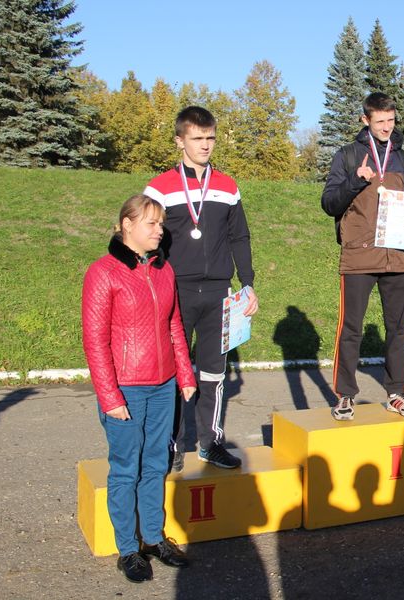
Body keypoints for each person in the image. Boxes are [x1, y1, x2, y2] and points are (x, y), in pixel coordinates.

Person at [82, 195, 196, 583]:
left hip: (163, 386)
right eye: (151, 223)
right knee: (125, 470)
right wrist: (110, 397)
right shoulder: (103, 272)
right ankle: (128, 549)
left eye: (160, 223)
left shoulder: (165, 270)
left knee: (155, 466)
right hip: (126, 389)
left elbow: (174, 326)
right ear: (126, 226)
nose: (159, 230)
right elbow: (95, 342)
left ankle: (153, 538)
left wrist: (185, 376)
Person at [144, 106, 258, 470]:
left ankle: (210, 442)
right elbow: (149, 239)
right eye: (197, 138)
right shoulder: (159, 188)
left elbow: (238, 236)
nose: (205, 145)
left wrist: (248, 283)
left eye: (210, 138)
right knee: (174, 373)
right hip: (175, 292)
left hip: (219, 293)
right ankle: (170, 447)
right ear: (180, 141)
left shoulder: (227, 186)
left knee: (213, 372)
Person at [321, 92, 404, 421]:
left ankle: (397, 392)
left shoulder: (403, 158)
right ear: (365, 120)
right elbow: (329, 204)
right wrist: (355, 181)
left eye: (391, 120)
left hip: (398, 256)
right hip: (359, 257)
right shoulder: (348, 156)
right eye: (380, 121)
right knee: (351, 329)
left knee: (398, 329)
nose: (386, 127)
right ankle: (345, 395)